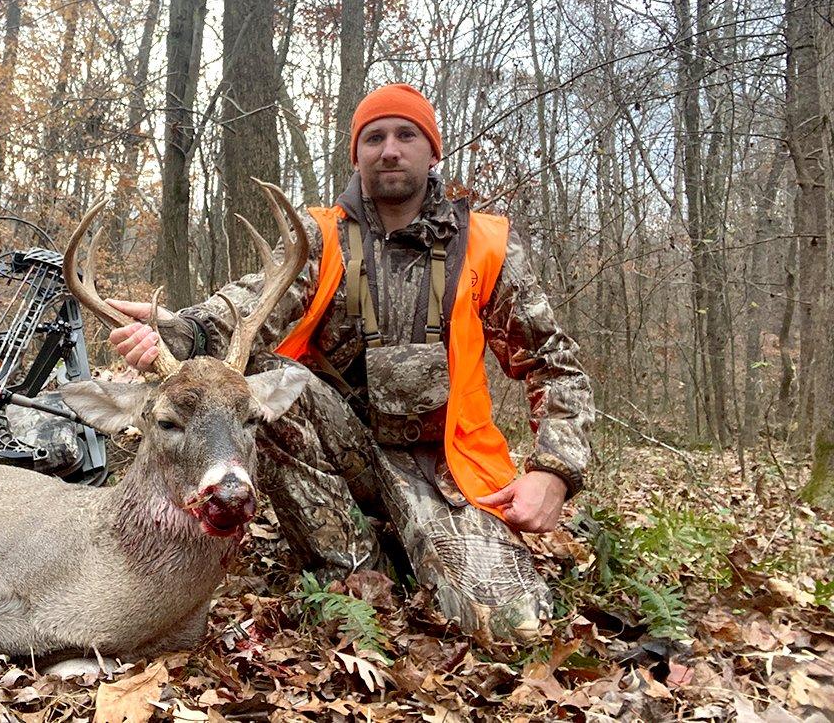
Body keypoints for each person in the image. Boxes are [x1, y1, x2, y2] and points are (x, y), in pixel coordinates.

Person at [107, 83, 593, 643]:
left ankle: (411, 536)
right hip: (343, 448)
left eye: (406, 135)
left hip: (445, 469)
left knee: (516, 630)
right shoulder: (321, 239)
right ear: (356, 153)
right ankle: (349, 566)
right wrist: (180, 329)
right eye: (374, 137)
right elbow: (245, 308)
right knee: (267, 385)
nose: (390, 149)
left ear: (432, 150)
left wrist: (552, 471)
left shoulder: (486, 245)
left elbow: (554, 365)